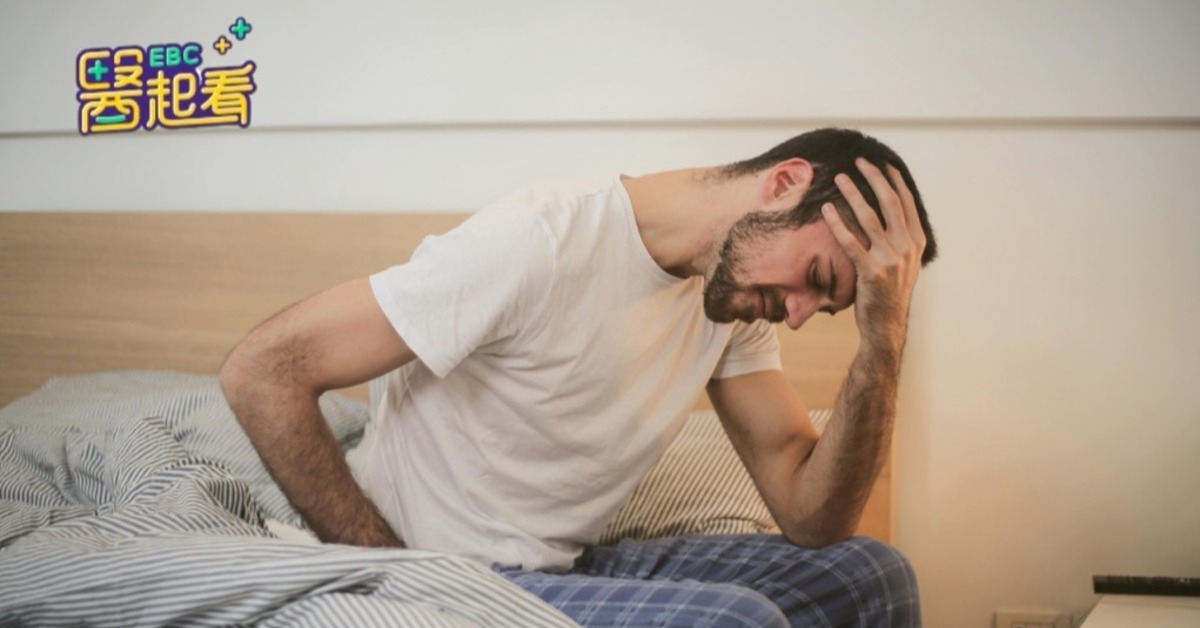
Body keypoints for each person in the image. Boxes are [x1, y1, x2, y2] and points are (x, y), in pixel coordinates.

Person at [220, 127, 938, 627]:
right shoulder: (541, 241)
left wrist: (884, 337)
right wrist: (393, 570)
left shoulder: (733, 301)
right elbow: (264, 369)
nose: (801, 314)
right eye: (817, 278)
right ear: (783, 183)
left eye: (828, 307)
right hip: (451, 572)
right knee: (736, 623)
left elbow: (813, 518)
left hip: (561, 566)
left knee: (870, 575)